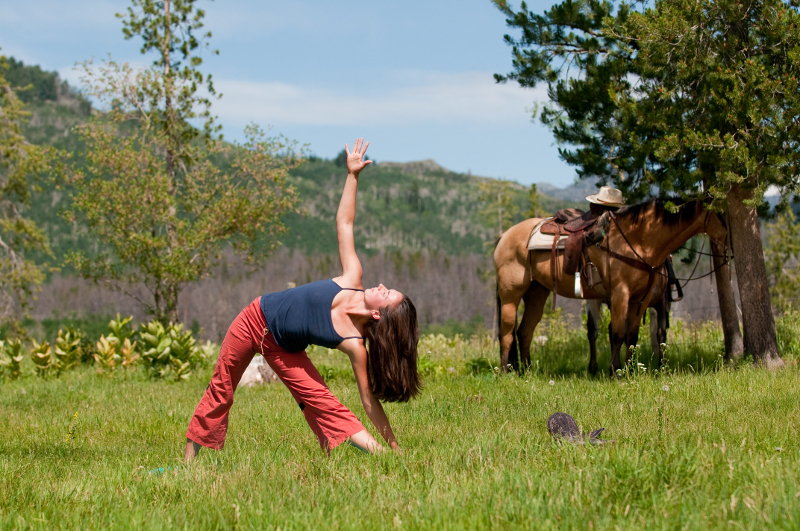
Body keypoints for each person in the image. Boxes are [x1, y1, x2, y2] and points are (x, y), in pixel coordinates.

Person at [184, 138, 421, 460]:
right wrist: (352, 175)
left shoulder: (354, 343)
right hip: (253, 319)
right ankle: (189, 466)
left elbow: (368, 401)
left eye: (387, 293)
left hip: (283, 349)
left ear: (380, 316)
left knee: (322, 400)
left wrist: (395, 443)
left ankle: (386, 456)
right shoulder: (352, 278)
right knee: (221, 388)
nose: (381, 285)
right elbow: (345, 222)